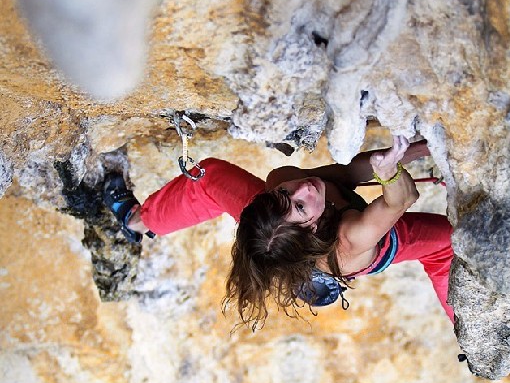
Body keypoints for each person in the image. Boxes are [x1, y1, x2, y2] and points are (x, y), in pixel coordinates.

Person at [104, 136, 454, 329]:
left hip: (290, 227)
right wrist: (390, 173)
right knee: (451, 244)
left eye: (286, 196)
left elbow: (345, 175)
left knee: (208, 177)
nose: (303, 189)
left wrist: (422, 147)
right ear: (313, 226)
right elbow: (403, 197)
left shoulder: (280, 185)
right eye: (300, 206)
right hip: (376, 244)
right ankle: (467, 327)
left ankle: (140, 219)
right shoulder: (353, 237)